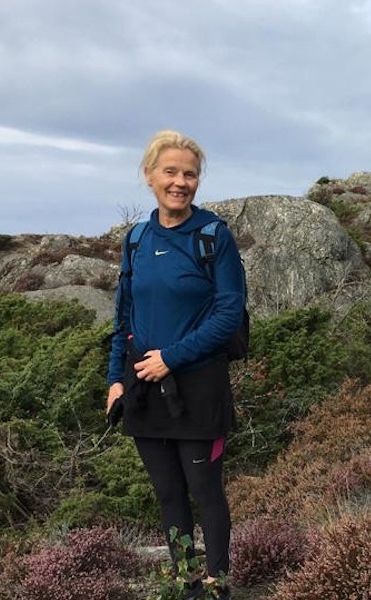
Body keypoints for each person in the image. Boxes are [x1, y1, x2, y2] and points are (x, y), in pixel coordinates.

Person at [106, 130, 245, 599]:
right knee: (167, 494)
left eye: (190, 173)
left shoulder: (212, 236)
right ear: (149, 176)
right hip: (144, 385)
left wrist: (171, 358)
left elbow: (229, 313)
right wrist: (115, 380)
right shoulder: (137, 239)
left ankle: (218, 585)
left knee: (205, 492)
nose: (180, 182)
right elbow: (123, 316)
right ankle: (186, 583)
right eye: (171, 171)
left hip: (199, 388)